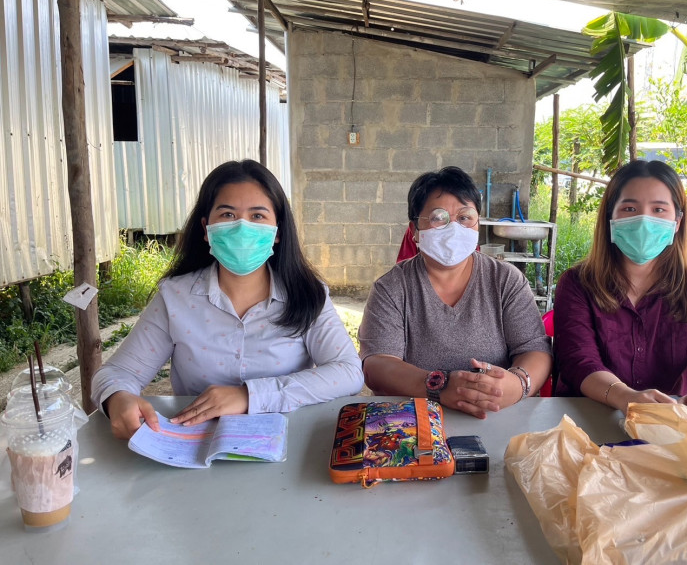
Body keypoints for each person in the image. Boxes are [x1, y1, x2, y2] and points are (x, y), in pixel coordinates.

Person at [92, 160, 364, 440]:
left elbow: (348, 372)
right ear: (206, 228)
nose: (241, 228)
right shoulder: (175, 297)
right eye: (227, 214)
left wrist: (250, 396)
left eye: (257, 216)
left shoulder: (307, 295)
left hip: (285, 444)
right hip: (195, 444)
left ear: (278, 231)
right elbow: (117, 372)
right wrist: (118, 398)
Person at [553, 160, 687, 432]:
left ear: (677, 222)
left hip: (680, 430)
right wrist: (626, 397)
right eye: (629, 208)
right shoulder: (578, 284)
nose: (644, 221)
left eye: (659, 209)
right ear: (610, 218)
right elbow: (578, 361)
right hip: (589, 426)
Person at [359, 166, 552, 419]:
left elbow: (535, 349)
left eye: (464, 217)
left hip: (496, 416)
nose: (453, 228)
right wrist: (438, 386)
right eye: (438, 217)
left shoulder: (505, 280)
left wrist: (517, 384)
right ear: (415, 230)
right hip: (414, 421)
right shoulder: (392, 288)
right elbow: (377, 364)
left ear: (478, 223)